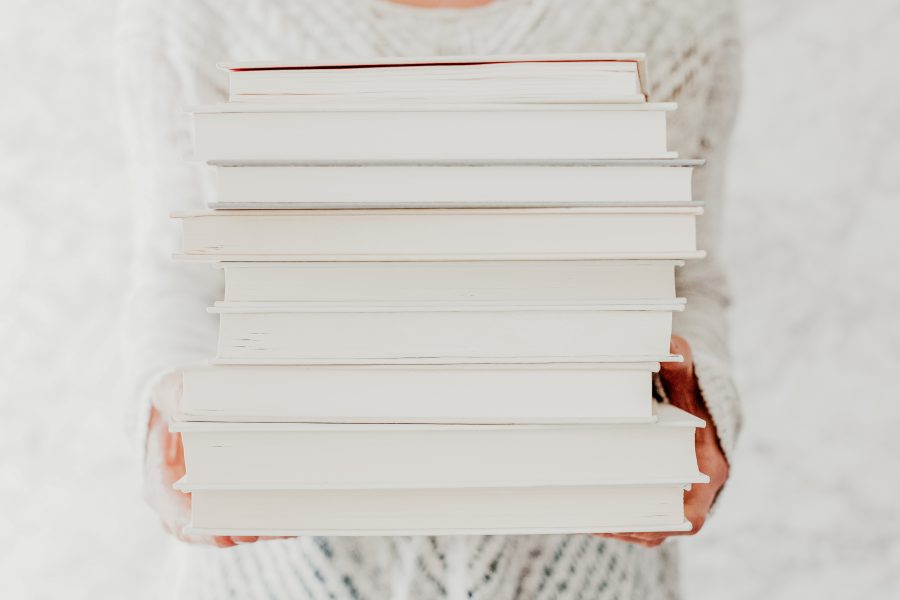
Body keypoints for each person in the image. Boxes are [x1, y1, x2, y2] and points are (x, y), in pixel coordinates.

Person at [118, 0, 742, 597]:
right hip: (279, 565)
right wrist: (161, 423)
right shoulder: (194, 10)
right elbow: (178, 270)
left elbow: (691, 280)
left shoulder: (679, 12)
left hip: (588, 564)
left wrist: (707, 412)